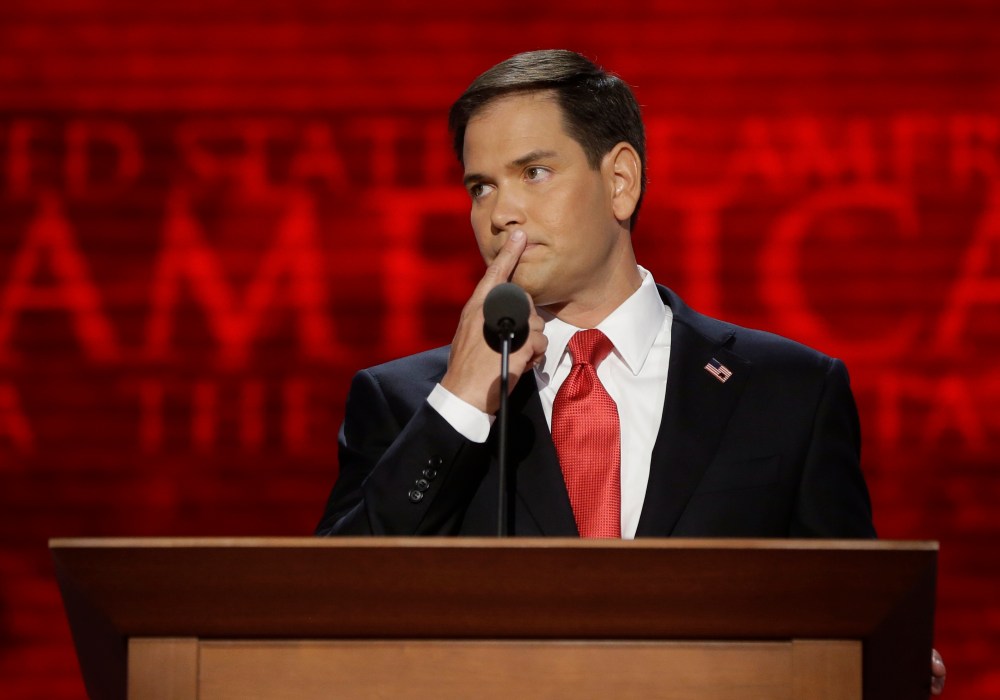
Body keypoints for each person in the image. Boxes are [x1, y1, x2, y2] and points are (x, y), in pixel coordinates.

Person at [315, 49, 945, 694]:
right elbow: (320, 618)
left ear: (620, 180)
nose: (499, 213)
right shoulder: (406, 404)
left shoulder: (789, 393)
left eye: (533, 172)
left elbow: (849, 617)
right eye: (480, 187)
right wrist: (460, 405)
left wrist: (879, 657)